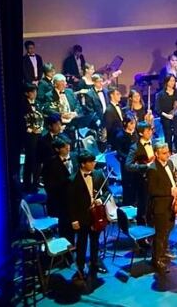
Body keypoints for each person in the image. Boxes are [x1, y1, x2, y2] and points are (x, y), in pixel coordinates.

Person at [68, 151, 109, 279]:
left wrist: (100, 200)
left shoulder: (98, 174)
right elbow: (70, 202)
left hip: (96, 214)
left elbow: (107, 191)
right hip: (82, 216)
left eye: (93, 161)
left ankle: (94, 262)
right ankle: (80, 266)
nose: (94, 164)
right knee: (82, 242)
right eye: (91, 162)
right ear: (82, 164)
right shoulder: (72, 179)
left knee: (95, 240)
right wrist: (74, 220)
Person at [146, 141, 177, 274]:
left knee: (169, 228)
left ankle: (165, 251)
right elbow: (152, 191)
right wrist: (169, 191)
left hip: (171, 204)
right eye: (164, 153)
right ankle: (156, 259)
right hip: (160, 207)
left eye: (168, 152)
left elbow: (173, 179)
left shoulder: (170, 163)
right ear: (156, 154)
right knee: (160, 234)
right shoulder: (152, 169)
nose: (168, 155)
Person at [42, 137, 73, 241]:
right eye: (64, 147)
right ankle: (66, 252)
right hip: (60, 201)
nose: (68, 148)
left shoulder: (75, 158)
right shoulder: (50, 164)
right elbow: (49, 185)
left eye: (68, 145)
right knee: (64, 228)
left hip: (74, 200)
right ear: (57, 149)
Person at [125, 122, 155, 225]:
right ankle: (141, 232)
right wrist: (145, 166)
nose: (150, 132)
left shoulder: (154, 143)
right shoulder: (135, 147)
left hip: (155, 178)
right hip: (143, 180)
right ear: (141, 133)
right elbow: (128, 165)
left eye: (151, 130)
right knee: (143, 206)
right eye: (148, 131)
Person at [22, 83, 43, 192]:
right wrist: (31, 130)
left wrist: (40, 128)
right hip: (29, 136)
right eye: (32, 92)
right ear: (27, 93)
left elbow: (41, 117)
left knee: (38, 160)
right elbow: (21, 122)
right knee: (30, 160)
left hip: (38, 135)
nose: (35, 94)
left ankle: (35, 182)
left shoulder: (38, 104)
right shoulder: (23, 105)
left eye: (35, 91)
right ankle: (27, 185)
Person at [114, 117, 138, 205]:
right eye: (131, 123)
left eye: (134, 123)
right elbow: (119, 152)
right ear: (125, 124)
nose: (133, 125)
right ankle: (128, 202)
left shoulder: (136, 133)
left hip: (136, 163)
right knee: (128, 184)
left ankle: (136, 201)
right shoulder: (120, 136)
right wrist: (129, 158)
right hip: (126, 164)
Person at [156, 74, 177, 150]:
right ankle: (168, 151)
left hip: (175, 116)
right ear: (166, 82)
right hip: (165, 117)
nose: (173, 82)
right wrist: (167, 116)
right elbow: (158, 109)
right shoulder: (160, 94)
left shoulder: (176, 92)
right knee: (168, 136)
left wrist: (174, 113)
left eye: (174, 80)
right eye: (171, 81)